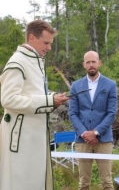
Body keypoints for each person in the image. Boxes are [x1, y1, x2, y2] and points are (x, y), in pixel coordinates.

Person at [0, 19, 70, 190]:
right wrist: (48, 101)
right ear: (32, 38)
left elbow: (31, 94)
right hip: (21, 140)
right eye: (46, 42)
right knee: (21, 183)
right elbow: (8, 99)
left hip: (33, 138)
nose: (49, 47)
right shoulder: (18, 62)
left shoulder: (34, 61)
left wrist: (53, 97)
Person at [69, 50, 117, 190]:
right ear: (84, 65)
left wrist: (95, 132)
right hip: (82, 140)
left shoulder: (110, 85)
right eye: (88, 62)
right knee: (83, 182)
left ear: (99, 63)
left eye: (93, 62)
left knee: (107, 182)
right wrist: (84, 133)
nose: (91, 65)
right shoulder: (76, 86)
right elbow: (73, 113)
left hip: (104, 139)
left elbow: (111, 113)